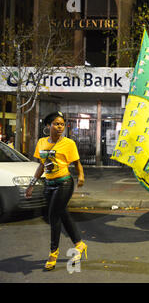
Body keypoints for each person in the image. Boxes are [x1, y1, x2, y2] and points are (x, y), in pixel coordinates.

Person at [25, 111, 87, 271]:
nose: (60, 127)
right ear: (48, 126)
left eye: (62, 124)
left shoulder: (68, 143)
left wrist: (81, 175)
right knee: (63, 215)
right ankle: (79, 244)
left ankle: (53, 253)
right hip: (49, 184)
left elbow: (77, 163)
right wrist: (31, 184)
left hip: (64, 183)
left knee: (53, 216)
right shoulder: (41, 143)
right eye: (56, 124)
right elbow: (41, 166)